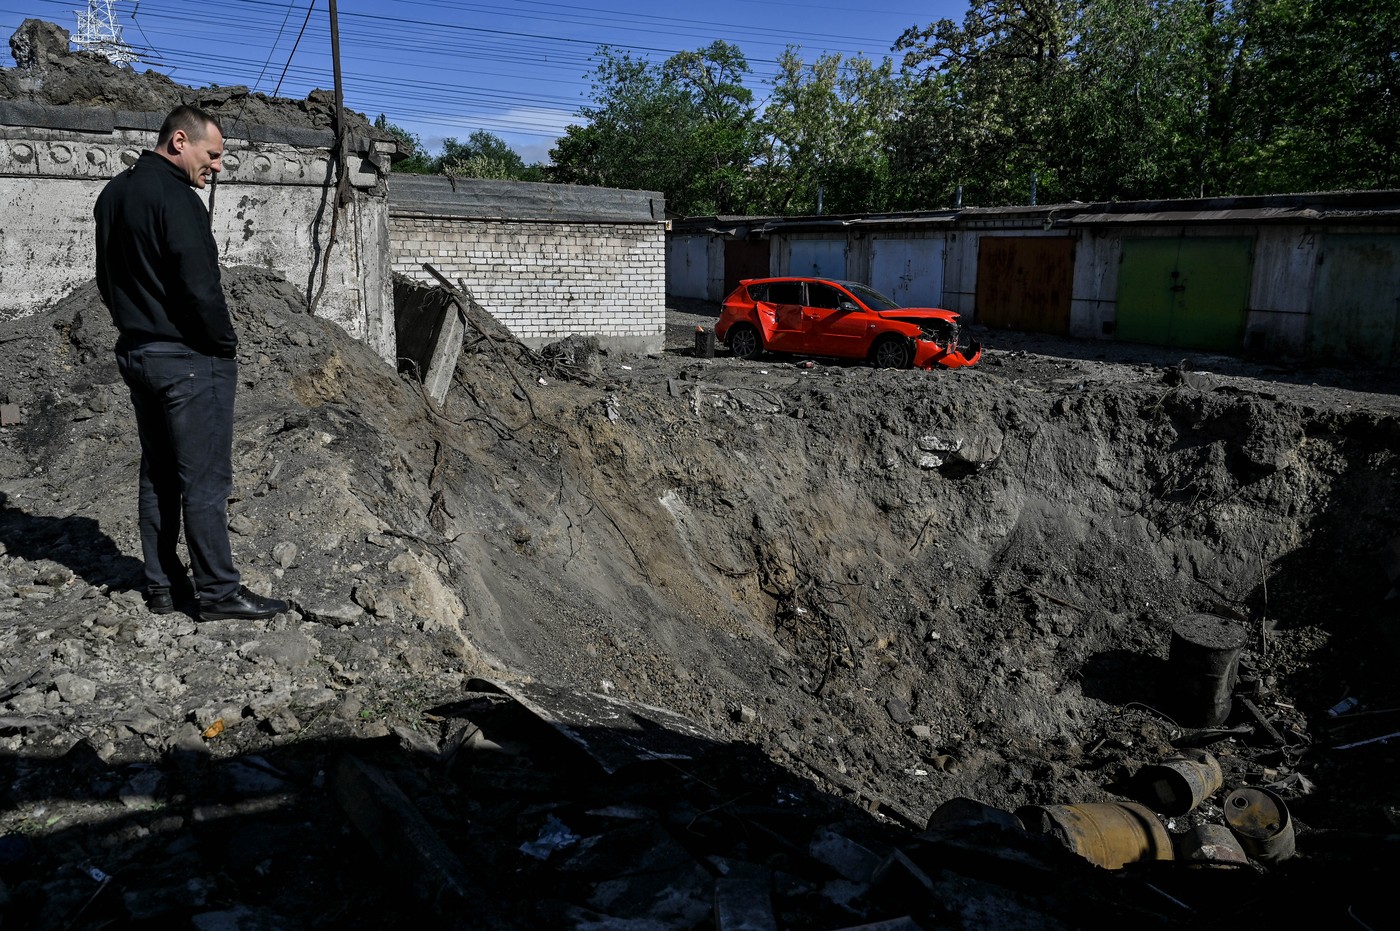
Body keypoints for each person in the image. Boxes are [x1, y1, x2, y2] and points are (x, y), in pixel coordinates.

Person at [94, 104, 288, 621]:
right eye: (213, 155)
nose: (217, 167)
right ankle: (219, 593)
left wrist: (135, 326)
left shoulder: (113, 194)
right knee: (204, 481)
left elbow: (106, 281)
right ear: (180, 141)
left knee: (158, 475)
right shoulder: (178, 200)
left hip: (137, 353)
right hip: (186, 359)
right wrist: (223, 344)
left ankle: (162, 586)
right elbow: (201, 288)